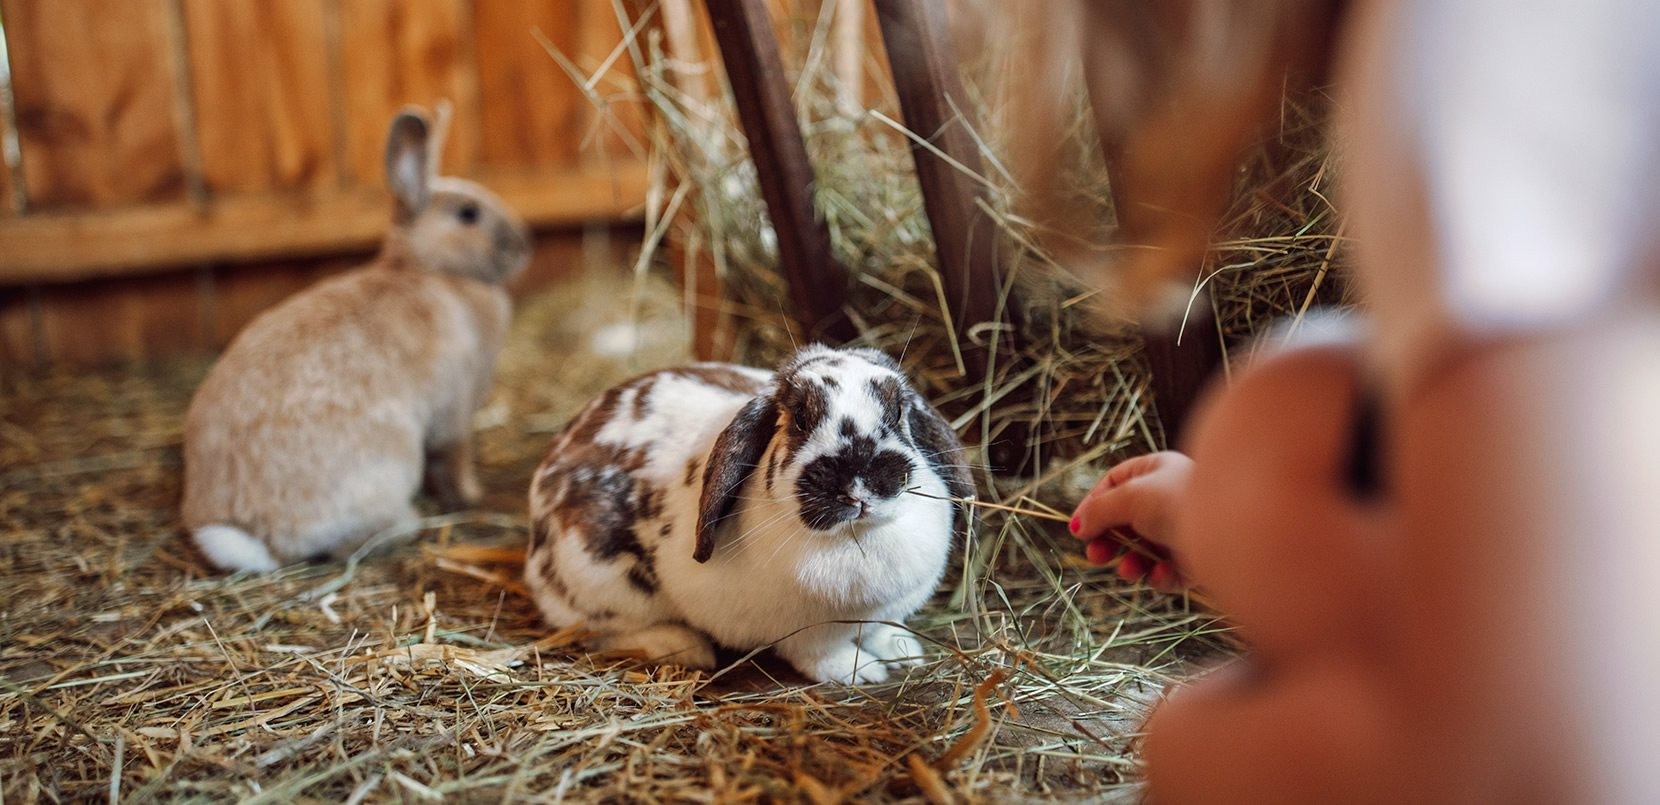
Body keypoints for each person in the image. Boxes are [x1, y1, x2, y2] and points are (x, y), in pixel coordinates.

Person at [1062, 0, 1660, 801]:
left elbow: (1545, 762)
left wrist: (1189, 749)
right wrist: (1237, 524)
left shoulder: (1477, 43)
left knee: (1283, 404)